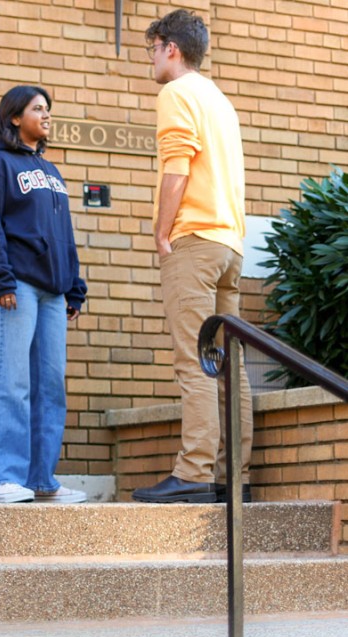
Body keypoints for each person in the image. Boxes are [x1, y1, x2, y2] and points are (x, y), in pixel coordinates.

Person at [132, 9, 253, 504]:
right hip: (229, 245)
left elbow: (177, 167)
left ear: (169, 48)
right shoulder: (219, 100)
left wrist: (163, 231)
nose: (151, 60)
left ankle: (195, 471)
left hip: (195, 242)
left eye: (151, 50)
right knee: (231, 365)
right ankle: (233, 476)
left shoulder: (176, 93)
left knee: (194, 361)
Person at [0, 85, 88, 504]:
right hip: (14, 285)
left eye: (49, 108)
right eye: (38, 108)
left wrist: (74, 286)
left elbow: (63, 235)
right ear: (15, 116)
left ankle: (40, 480)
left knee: (49, 385)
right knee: (10, 380)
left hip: (54, 293)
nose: (47, 114)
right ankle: (1, 477)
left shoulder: (51, 172)